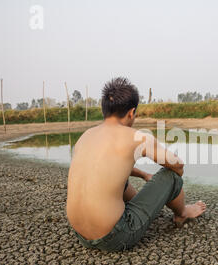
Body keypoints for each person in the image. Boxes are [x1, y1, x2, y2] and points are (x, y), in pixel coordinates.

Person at [66, 77, 206, 252]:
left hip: (81, 235)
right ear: (131, 113)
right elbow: (178, 165)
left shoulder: (86, 136)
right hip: (115, 236)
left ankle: (142, 207)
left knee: (112, 178)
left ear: (104, 109)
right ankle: (182, 213)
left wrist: (143, 175)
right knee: (171, 176)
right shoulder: (136, 137)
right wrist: (168, 177)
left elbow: (105, 168)